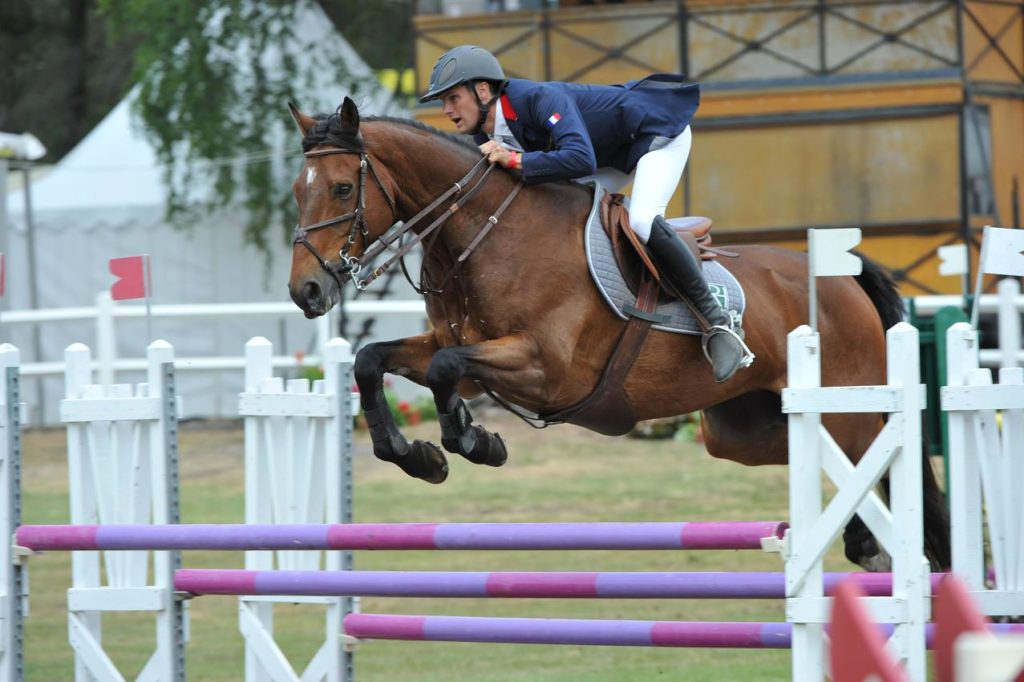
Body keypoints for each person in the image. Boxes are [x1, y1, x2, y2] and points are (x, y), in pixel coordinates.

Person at [420, 45, 753, 383]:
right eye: (442, 102)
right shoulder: (484, 129)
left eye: (452, 98)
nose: (446, 109)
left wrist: (516, 161)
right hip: (608, 155)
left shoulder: (539, 99)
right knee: (560, 214)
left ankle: (718, 322)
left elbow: (580, 159)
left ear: (482, 90)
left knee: (641, 220)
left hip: (655, 135)